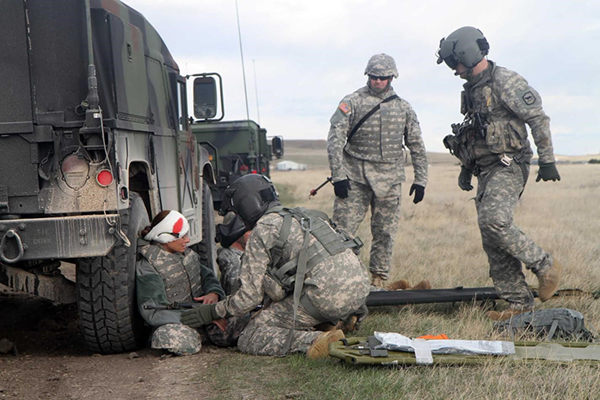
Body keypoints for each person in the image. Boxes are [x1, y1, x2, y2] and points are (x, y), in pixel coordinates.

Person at [436, 26, 562, 321]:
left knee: (495, 220)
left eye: (456, 63)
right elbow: (474, 131)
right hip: (486, 168)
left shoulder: (506, 81)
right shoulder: (472, 89)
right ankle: (519, 305)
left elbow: (538, 118)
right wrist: (466, 169)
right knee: (491, 237)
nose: (456, 71)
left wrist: (547, 161)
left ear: (467, 53)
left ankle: (545, 266)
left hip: (510, 163)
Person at [180, 175, 371, 358]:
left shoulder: (263, 230)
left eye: (236, 212)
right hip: (360, 292)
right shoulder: (308, 216)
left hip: (325, 297)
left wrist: (213, 311)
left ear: (246, 207)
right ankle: (336, 320)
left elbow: (249, 297)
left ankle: (318, 340)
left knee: (251, 336)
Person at [327, 53, 428, 288]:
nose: (378, 82)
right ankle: (342, 280)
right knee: (342, 232)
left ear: (392, 78)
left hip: (390, 180)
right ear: (368, 76)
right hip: (354, 178)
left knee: (385, 233)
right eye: (374, 77)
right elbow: (335, 140)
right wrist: (339, 176)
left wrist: (421, 180)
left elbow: (417, 146)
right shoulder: (350, 102)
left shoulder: (404, 108)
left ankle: (378, 281)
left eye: (383, 78)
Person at [136, 210, 242, 355]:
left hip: (204, 317)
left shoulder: (187, 255)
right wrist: (199, 317)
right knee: (173, 337)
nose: (187, 240)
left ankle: (206, 336)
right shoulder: (148, 267)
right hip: (180, 322)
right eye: (183, 236)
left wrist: (213, 292)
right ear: (166, 237)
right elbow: (153, 312)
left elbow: (207, 276)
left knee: (241, 318)